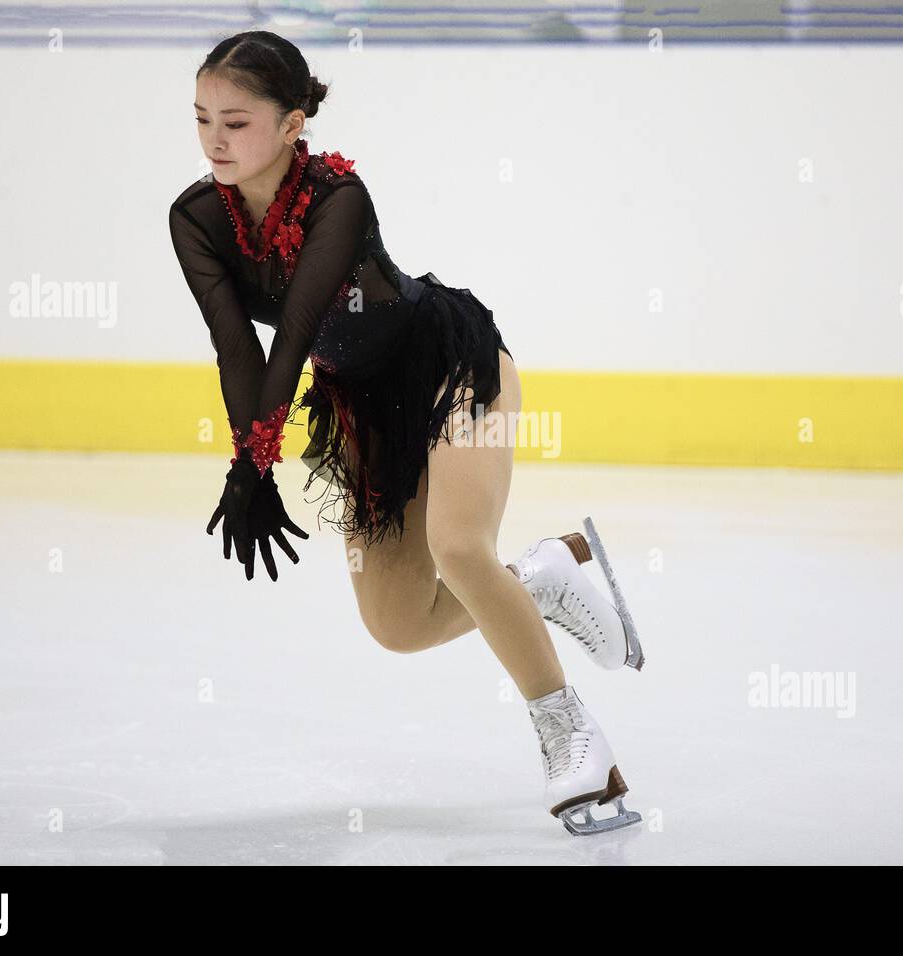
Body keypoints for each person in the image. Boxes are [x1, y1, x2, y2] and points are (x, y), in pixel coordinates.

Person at [167, 30, 645, 835]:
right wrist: (247, 469)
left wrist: (259, 460)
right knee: (397, 624)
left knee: (458, 549)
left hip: (452, 369)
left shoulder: (338, 200)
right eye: (202, 118)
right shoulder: (196, 220)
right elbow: (238, 349)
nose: (216, 138)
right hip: (364, 407)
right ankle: (540, 576)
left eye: (237, 121)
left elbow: (293, 339)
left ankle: (571, 739)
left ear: (291, 125)